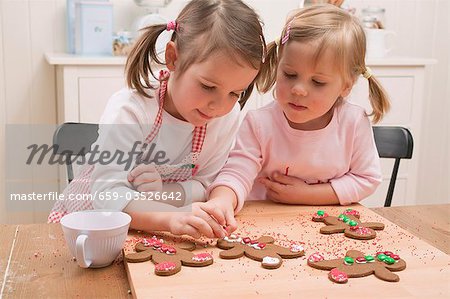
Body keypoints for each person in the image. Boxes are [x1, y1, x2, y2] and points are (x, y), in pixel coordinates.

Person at [48, 0, 267, 239]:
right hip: (92, 230)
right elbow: (108, 194)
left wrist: (163, 192)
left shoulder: (226, 116)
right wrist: (170, 217)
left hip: (150, 233)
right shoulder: (132, 111)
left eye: (236, 93)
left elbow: (204, 185)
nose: (219, 105)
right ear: (173, 58)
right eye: (208, 86)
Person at [206, 4, 390, 226]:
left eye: (318, 82)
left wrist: (308, 195)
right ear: (278, 65)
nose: (298, 89)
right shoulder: (259, 124)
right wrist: (221, 201)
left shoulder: (353, 122)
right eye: (290, 74)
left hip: (327, 228)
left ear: (346, 87)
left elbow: (367, 178)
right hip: (265, 226)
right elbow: (237, 172)